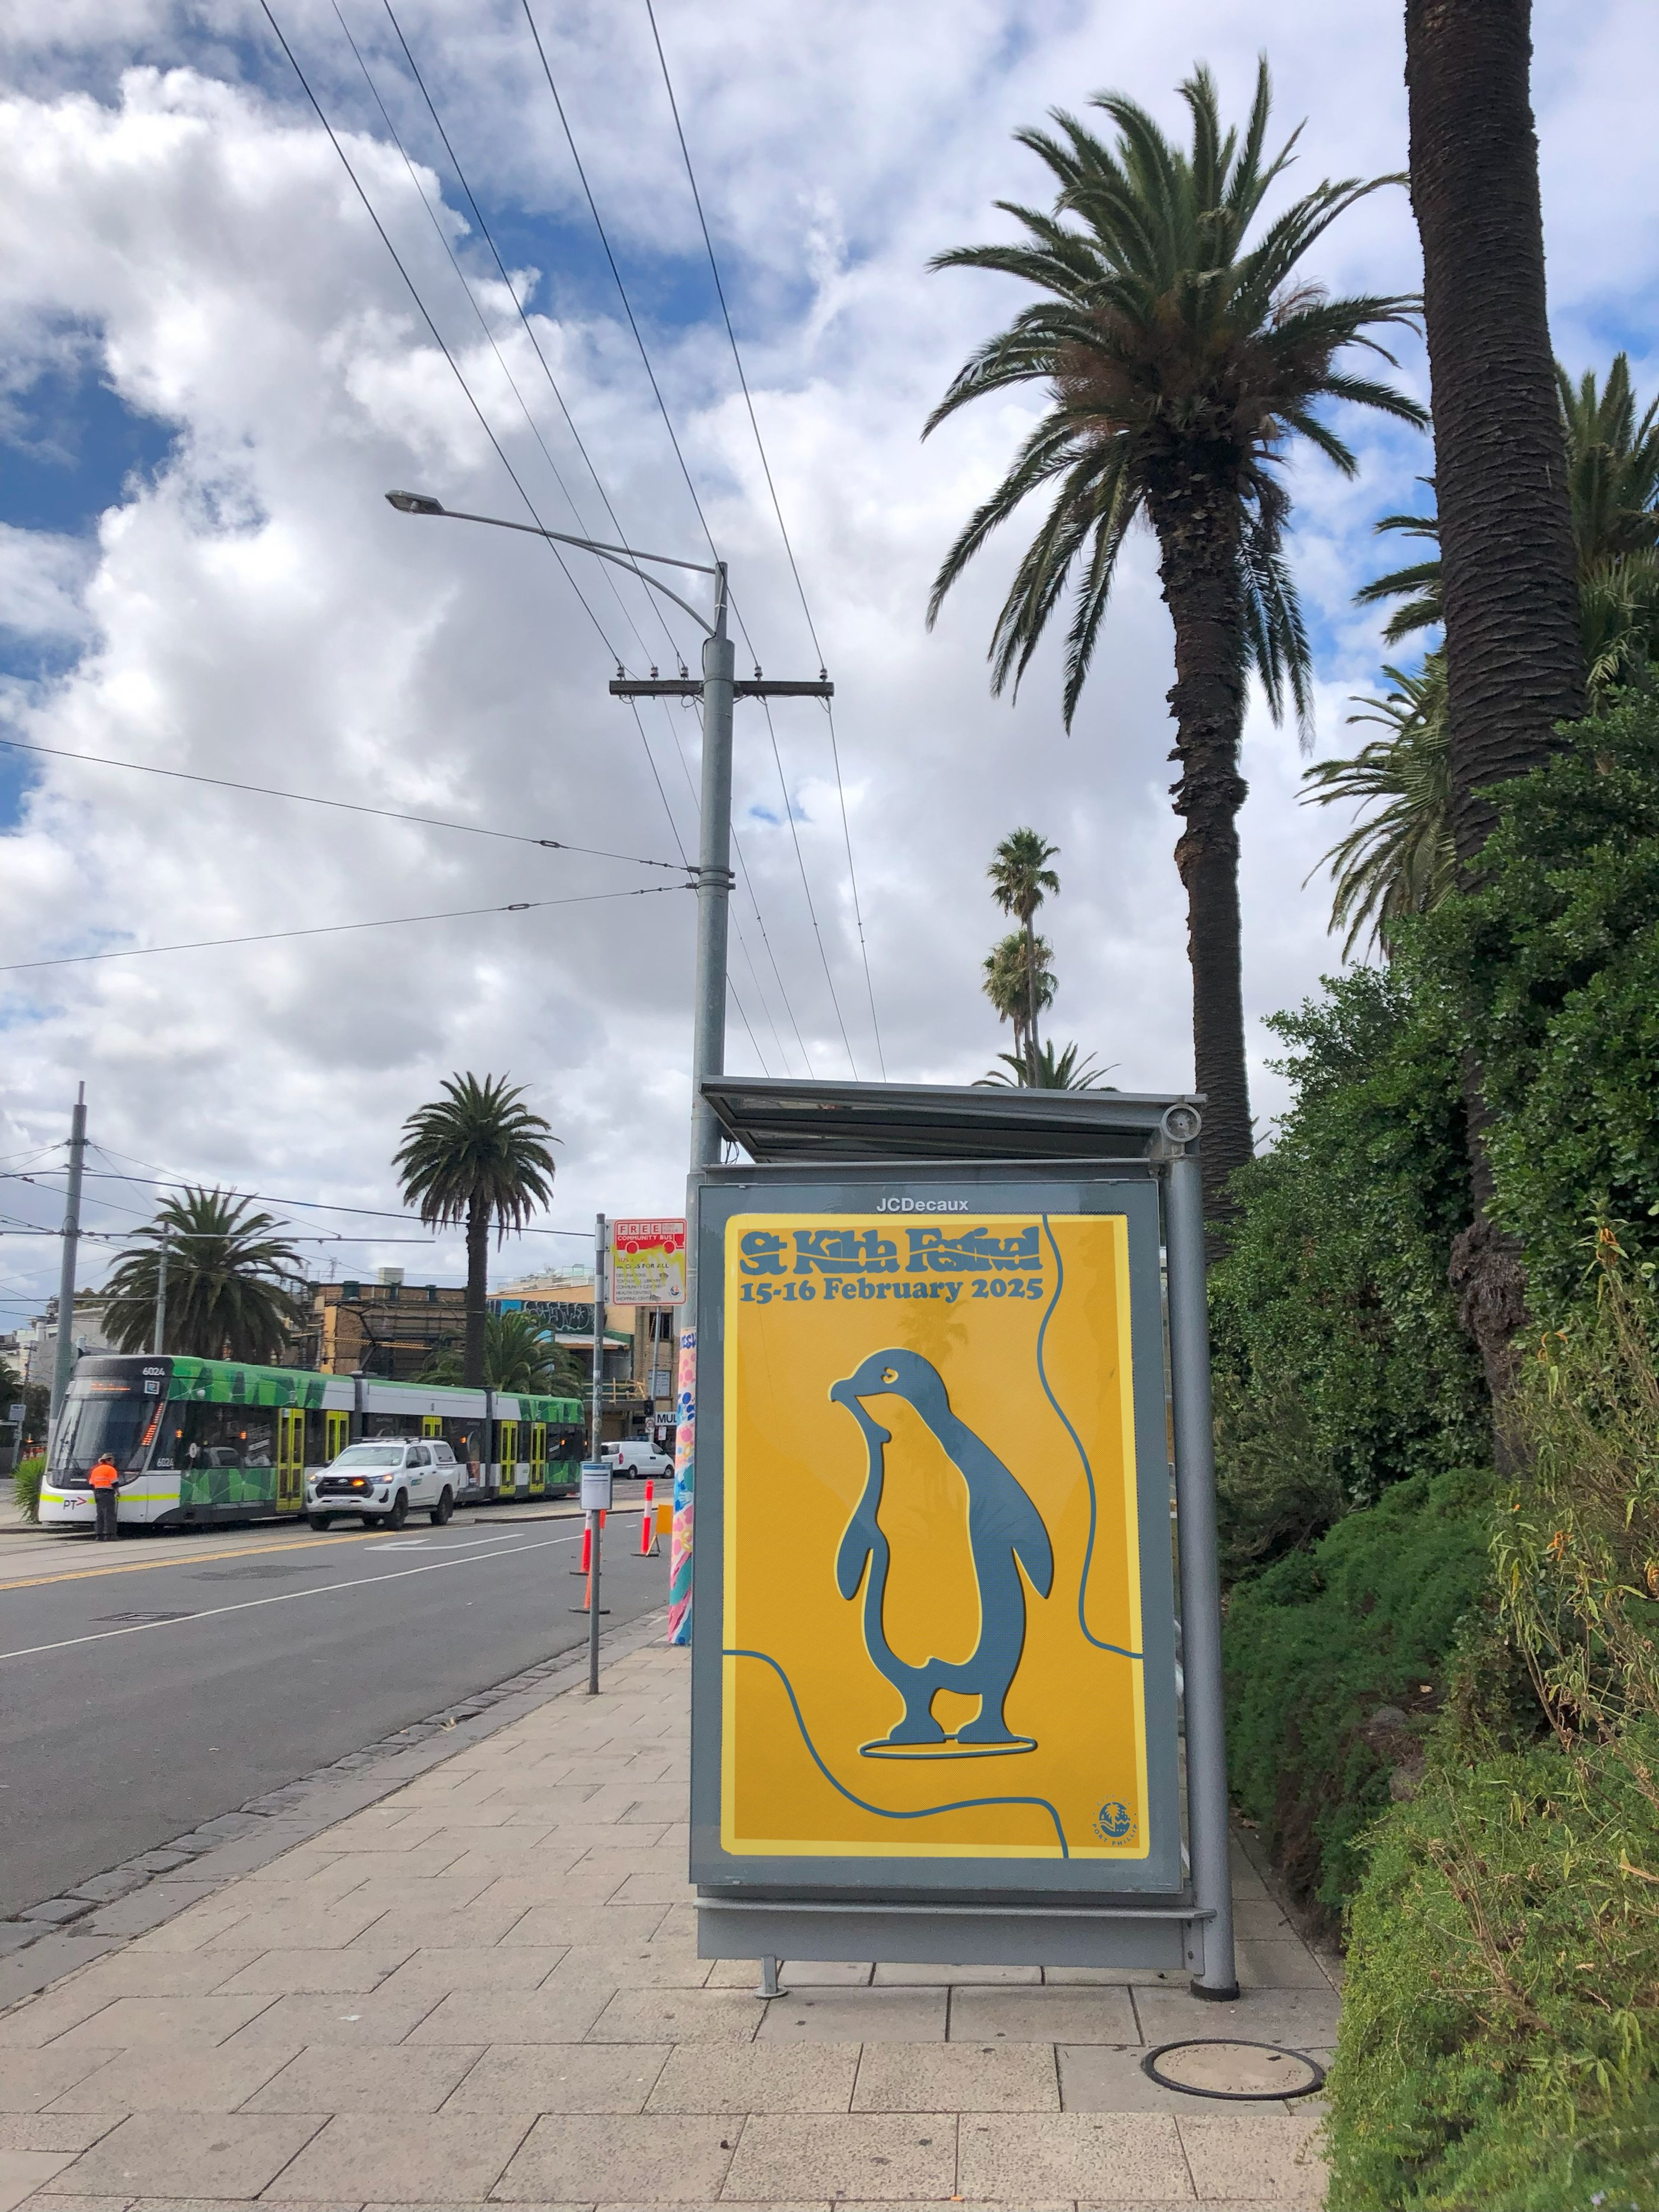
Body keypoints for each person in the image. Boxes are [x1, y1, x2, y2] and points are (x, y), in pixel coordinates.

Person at [89, 1452, 121, 1541]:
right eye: (113, 1460)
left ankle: (99, 1535)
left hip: (98, 1493)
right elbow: (114, 1483)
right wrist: (118, 1493)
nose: (114, 1462)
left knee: (100, 1515)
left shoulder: (96, 1470)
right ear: (109, 1460)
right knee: (109, 1515)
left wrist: (96, 1493)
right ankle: (110, 1535)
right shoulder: (111, 1469)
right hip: (108, 1493)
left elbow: (91, 1484)